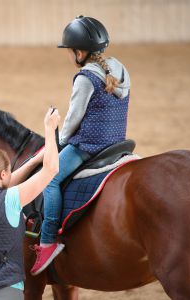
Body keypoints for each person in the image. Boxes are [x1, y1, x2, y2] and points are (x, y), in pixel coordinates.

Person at [30, 15, 131, 275]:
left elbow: (73, 119)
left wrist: (59, 142)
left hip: (89, 145)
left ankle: (48, 240)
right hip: (116, 142)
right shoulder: (119, 68)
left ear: (78, 52)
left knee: (50, 178)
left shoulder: (85, 77)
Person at [0, 108, 60, 300]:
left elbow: (2, 185)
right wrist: (50, 129)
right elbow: (51, 169)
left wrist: (32, 162)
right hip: (4, 291)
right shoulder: (10, 200)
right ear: (3, 174)